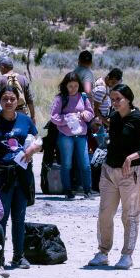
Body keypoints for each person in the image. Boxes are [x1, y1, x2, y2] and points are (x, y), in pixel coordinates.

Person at [88, 83, 140, 270]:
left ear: (128, 99)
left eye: (119, 99)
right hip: (109, 171)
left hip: (130, 174)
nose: (115, 103)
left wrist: (132, 157)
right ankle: (103, 252)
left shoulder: (138, 119)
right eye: (113, 99)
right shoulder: (114, 117)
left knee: (130, 215)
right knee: (105, 213)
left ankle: (127, 255)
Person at [0, 86, 42, 270]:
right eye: (5, 99)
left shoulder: (25, 120)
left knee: (19, 216)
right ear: (0, 101)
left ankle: (18, 256)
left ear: (18, 101)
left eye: (12, 99)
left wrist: (32, 149)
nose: (8, 102)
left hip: (22, 174)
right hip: (1, 174)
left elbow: (38, 140)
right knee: (1, 216)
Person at [50, 71, 95, 200]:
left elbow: (90, 113)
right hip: (65, 135)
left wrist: (84, 115)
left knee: (85, 164)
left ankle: (88, 190)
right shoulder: (60, 98)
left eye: (75, 86)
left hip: (81, 134)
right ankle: (68, 190)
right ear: (65, 85)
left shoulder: (83, 97)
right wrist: (67, 119)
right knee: (67, 164)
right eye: (70, 86)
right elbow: (54, 116)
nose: (73, 89)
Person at [0, 56, 36, 120]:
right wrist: (33, 117)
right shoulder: (23, 79)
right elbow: (29, 100)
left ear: (2, 67)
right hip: (22, 114)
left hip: (6, 115)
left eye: (0, 67)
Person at [91, 67, 123, 146]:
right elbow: (95, 110)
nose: (114, 85)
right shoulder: (101, 89)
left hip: (101, 119)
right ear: (108, 78)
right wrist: (107, 123)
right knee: (99, 146)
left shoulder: (102, 80)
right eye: (113, 82)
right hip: (97, 122)